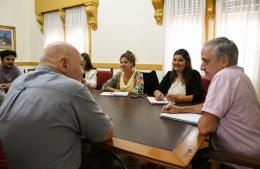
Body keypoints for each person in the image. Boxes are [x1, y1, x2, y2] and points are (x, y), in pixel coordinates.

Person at [0, 42, 113, 169]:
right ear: (63, 63)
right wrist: (107, 118)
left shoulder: (18, 81)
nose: (82, 72)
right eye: (81, 65)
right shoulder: (73, 88)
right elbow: (104, 133)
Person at [162, 37, 260, 169]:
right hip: (252, 150)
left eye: (206, 61)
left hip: (238, 160)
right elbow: (208, 107)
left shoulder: (223, 76)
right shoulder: (238, 76)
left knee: (184, 155)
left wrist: (205, 118)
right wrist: (180, 109)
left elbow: (205, 127)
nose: (202, 66)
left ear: (224, 61)